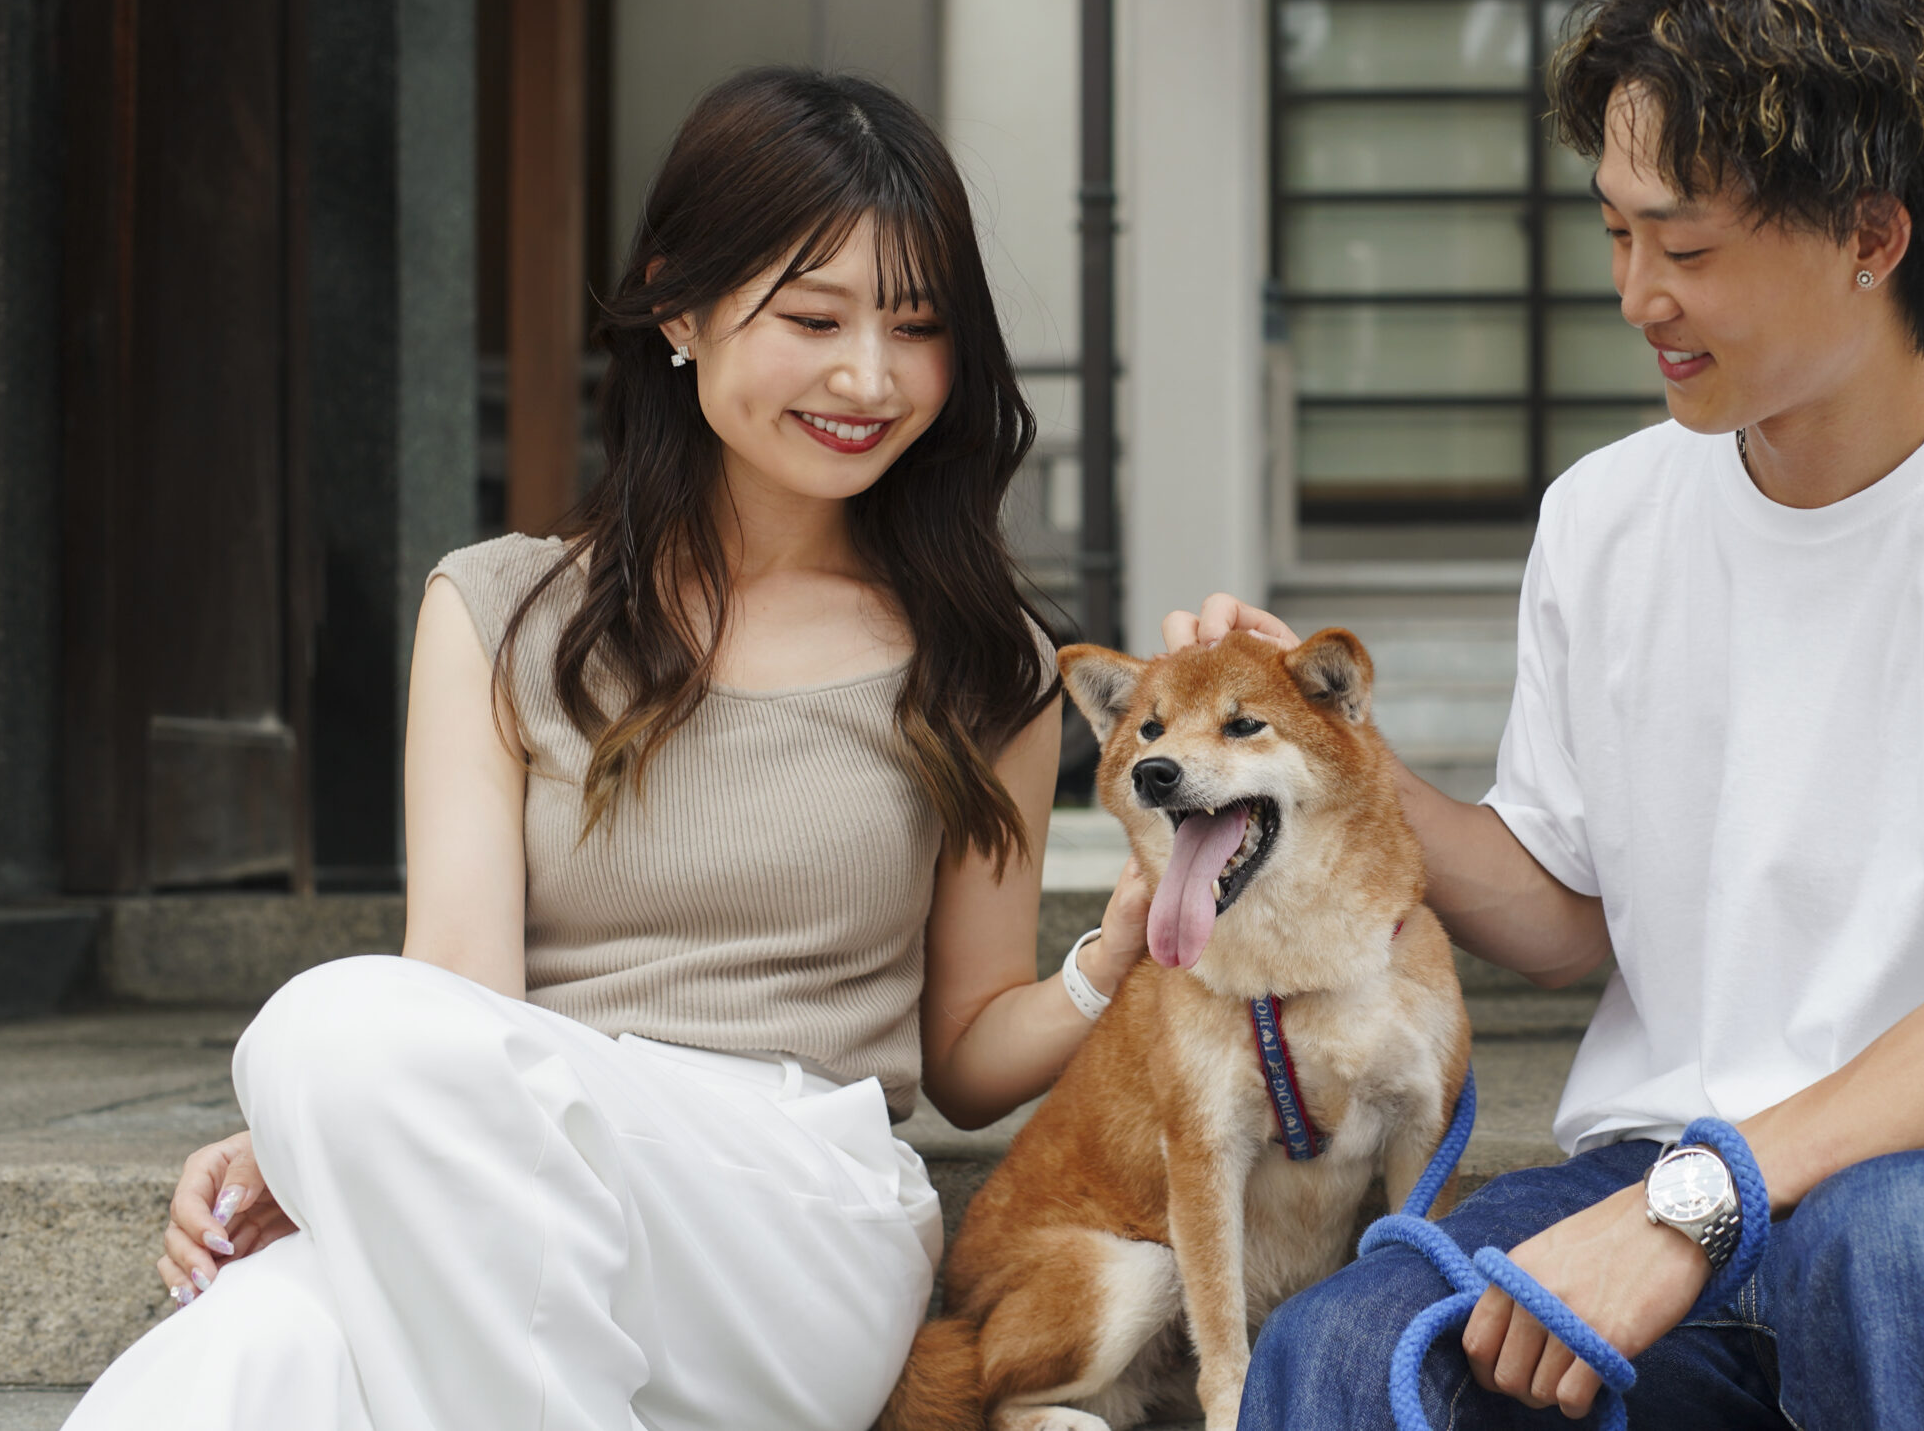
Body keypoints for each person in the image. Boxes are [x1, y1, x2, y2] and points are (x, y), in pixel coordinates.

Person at [1185, 0, 1924, 1430]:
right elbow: (1567, 913)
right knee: (1341, 1351)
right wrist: (1317, 756)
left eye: (1689, 244)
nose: (1638, 293)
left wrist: (1699, 1201)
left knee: (1884, 1243)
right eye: (1615, 230)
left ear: (1872, 236)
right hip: (1667, 1171)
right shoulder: (1605, 517)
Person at [68, 70, 1153, 1431]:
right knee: (246, 1356)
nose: (870, 378)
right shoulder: (499, 610)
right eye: (815, 319)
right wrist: (337, 1140)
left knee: (320, 1033)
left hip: (793, 1216)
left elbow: (966, 1055)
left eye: (919, 330)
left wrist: (1111, 963)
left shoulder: (986, 656)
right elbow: (456, 997)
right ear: (678, 309)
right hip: (523, 1190)